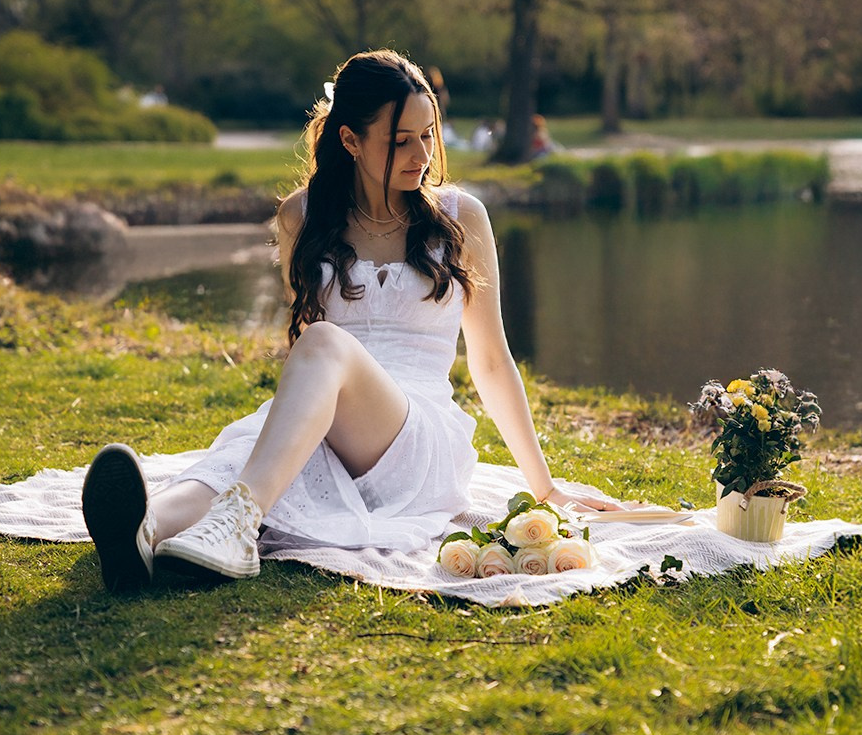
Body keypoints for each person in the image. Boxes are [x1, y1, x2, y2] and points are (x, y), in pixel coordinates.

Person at [80, 49, 623, 591]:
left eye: (427, 134)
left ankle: (236, 526)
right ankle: (143, 535)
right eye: (400, 140)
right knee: (241, 458)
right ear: (351, 141)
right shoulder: (303, 216)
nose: (422, 154)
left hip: (415, 437)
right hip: (326, 415)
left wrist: (544, 487)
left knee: (320, 346)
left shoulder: (461, 219)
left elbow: (491, 360)